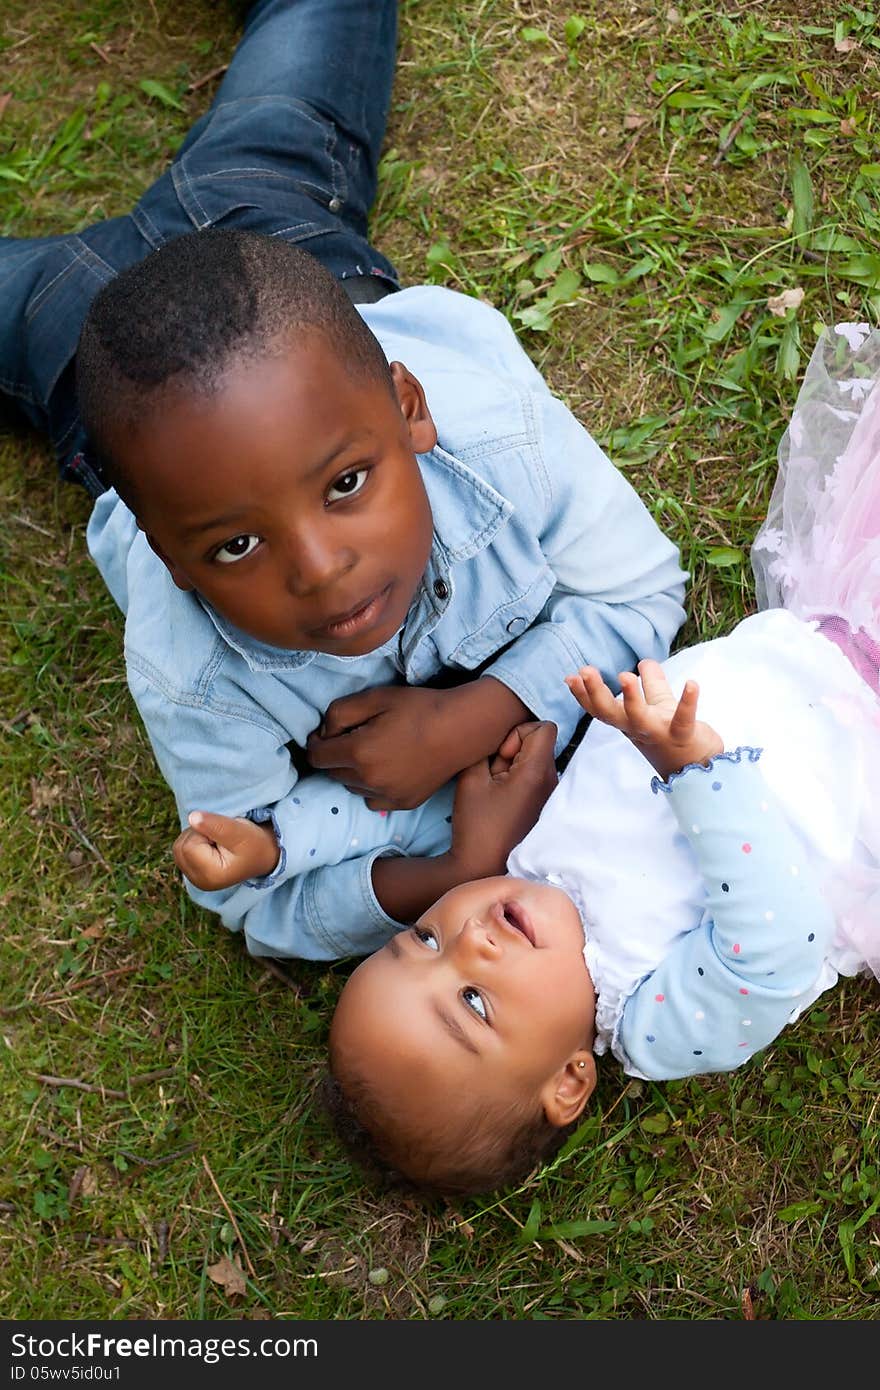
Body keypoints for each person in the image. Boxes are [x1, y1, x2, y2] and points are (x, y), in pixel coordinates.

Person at [0, 1, 687, 960]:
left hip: (277, 229)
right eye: (235, 544)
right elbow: (243, 887)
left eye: (346, 482)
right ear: (171, 559)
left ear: (410, 410)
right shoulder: (189, 670)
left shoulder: (499, 441)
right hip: (84, 359)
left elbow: (642, 587)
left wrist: (476, 714)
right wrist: (444, 878)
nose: (321, 569)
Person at [320, 321, 880, 1196]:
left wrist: (519, 805)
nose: (467, 940)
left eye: (422, 938)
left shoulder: (533, 873)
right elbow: (776, 943)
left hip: (819, 649)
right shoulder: (656, 1019)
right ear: (569, 1080)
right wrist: (694, 770)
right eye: (474, 1002)